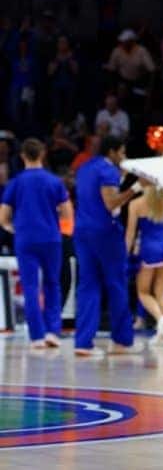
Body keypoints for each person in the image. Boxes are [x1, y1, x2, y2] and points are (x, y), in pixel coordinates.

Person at [73, 135, 143, 357]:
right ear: (112, 152)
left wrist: (123, 177)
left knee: (88, 285)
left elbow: (97, 192)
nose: (123, 157)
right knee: (116, 283)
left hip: (82, 230)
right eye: (121, 152)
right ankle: (122, 341)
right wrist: (137, 187)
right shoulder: (107, 171)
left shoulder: (84, 168)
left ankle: (83, 343)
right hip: (105, 231)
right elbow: (111, 202)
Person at [0, 138, 71, 349]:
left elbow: (3, 217)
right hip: (50, 237)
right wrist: (59, 225)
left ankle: (37, 336)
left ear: (22, 156)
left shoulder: (16, 182)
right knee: (52, 284)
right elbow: (67, 211)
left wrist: (14, 229)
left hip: (25, 238)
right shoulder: (54, 181)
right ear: (43, 154)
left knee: (31, 286)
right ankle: (53, 332)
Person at [124, 184, 163, 345]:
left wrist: (125, 253)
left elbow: (131, 233)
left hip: (149, 248)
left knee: (143, 292)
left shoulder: (135, 204)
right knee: (161, 292)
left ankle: (160, 319)